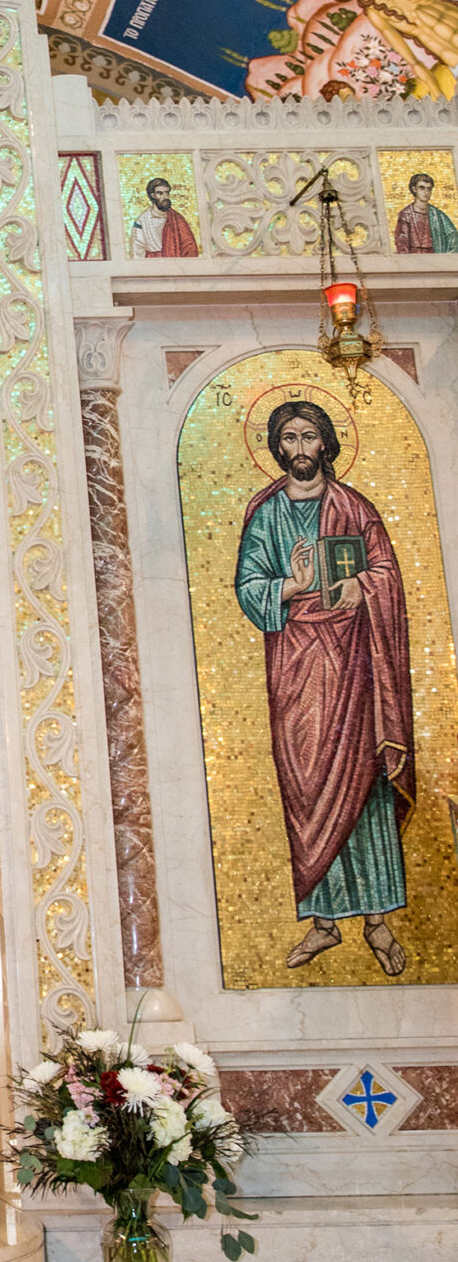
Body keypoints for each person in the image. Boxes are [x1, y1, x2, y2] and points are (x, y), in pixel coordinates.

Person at [234, 401, 415, 976]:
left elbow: (387, 572)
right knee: (307, 785)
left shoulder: (354, 507)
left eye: (310, 435)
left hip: (358, 663)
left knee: (365, 785)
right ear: (277, 447)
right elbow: (248, 586)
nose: (301, 447)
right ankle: (322, 923)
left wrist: (362, 587)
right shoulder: (264, 513)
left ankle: (379, 923)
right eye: (289, 438)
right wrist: (294, 583)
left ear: (327, 443)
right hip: (297, 665)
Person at [129, 176, 200, 259]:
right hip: (152, 263)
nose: (165, 197)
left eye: (167, 193)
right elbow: (137, 248)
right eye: (160, 193)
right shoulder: (142, 220)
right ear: (152, 195)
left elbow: (189, 245)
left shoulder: (177, 219)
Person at [395, 171, 458, 252]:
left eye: (429, 189)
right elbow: (402, 243)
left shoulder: (437, 215)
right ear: (414, 189)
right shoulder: (406, 215)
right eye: (422, 188)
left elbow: (452, 235)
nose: (426, 192)